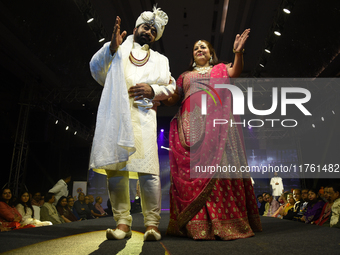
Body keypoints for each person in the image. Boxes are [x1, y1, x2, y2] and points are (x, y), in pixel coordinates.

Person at [164, 31, 262, 240]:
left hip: (219, 129)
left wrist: (238, 52)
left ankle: (224, 220)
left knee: (220, 174)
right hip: (192, 127)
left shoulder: (221, 69)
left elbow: (235, 71)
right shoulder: (184, 76)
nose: (199, 50)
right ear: (193, 55)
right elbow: (173, 99)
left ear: (210, 53)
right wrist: (162, 88)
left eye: (203, 47)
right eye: (196, 48)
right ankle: (195, 224)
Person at [89, 6, 175, 241]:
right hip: (117, 117)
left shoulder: (160, 59)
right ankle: (123, 223)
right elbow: (96, 70)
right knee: (116, 170)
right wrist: (112, 48)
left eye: (153, 30)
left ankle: (152, 224)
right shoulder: (117, 49)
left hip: (144, 119)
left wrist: (153, 89)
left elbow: (171, 86)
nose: (149, 31)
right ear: (136, 27)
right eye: (146, 27)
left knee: (149, 172)